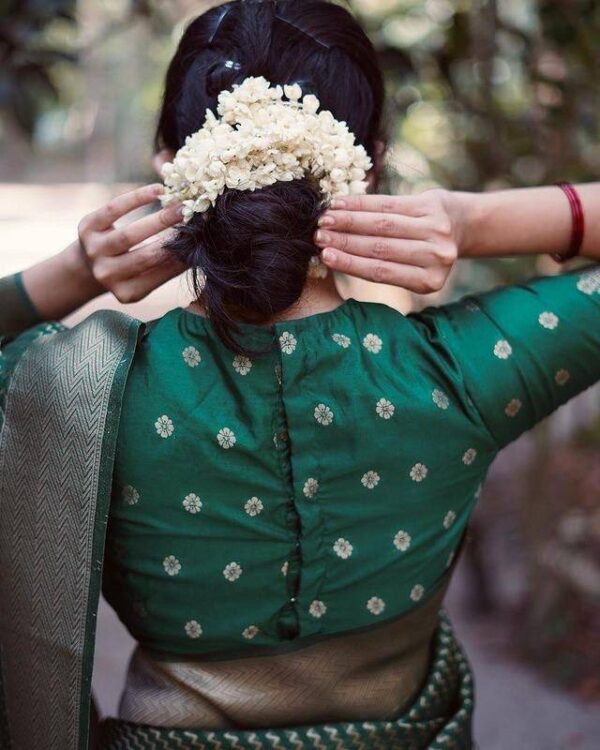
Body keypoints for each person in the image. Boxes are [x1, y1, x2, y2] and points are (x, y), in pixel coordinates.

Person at [0, 1, 598, 749]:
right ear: (369, 163)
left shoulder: (75, 391)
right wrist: (476, 222)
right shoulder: (460, 374)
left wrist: (70, 273)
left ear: (171, 168)